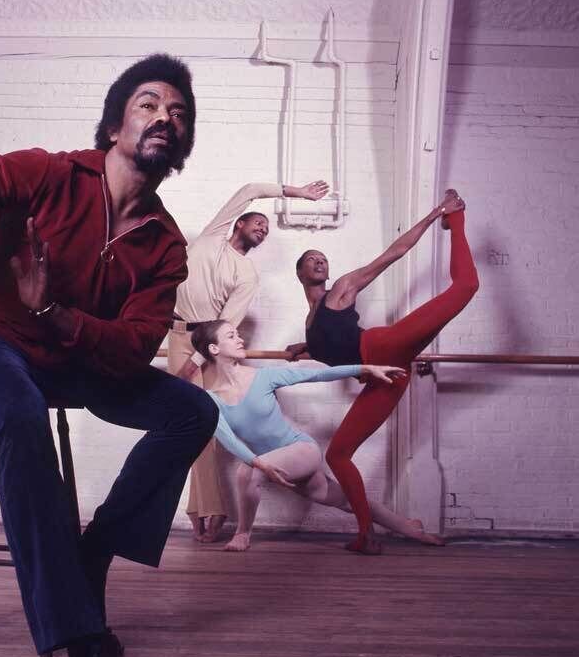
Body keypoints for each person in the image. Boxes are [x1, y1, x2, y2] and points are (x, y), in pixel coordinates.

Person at [0, 7, 218, 657]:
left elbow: (133, 349)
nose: (164, 115)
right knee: (14, 411)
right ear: (113, 128)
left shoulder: (165, 246)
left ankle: (93, 550)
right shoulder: (46, 175)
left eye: (178, 112)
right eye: (148, 103)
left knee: (191, 410)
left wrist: (58, 319)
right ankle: (85, 648)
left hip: (68, 356)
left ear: (183, 142)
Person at [286, 189, 479, 554]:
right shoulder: (311, 322)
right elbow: (336, 345)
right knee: (337, 455)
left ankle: (455, 219)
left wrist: (438, 211)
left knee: (466, 287)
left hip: (384, 347)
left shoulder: (341, 289)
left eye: (323, 258)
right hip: (386, 377)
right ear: (300, 273)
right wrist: (306, 347)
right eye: (312, 259)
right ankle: (365, 535)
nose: (320, 261)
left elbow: (395, 253)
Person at [168, 179, 329, 543]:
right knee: (181, 424)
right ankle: (200, 508)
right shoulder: (212, 236)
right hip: (174, 333)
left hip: (204, 346)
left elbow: (225, 325)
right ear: (238, 223)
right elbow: (250, 189)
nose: (263, 229)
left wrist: (195, 359)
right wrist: (299, 194)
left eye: (267, 230)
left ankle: (208, 509)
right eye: (258, 223)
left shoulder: (247, 274)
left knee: (201, 424)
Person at [190, 321, 443, 551]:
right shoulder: (211, 399)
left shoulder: (263, 376)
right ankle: (409, 527)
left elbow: (315, 374)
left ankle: (242, 535)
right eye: (231, 336)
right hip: (273, 465)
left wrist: (366, 367)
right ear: (213, 348)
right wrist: (261, 464)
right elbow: (228, 440)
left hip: (301, 451)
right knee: (346, 500)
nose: (240, 339)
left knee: (246, 471)